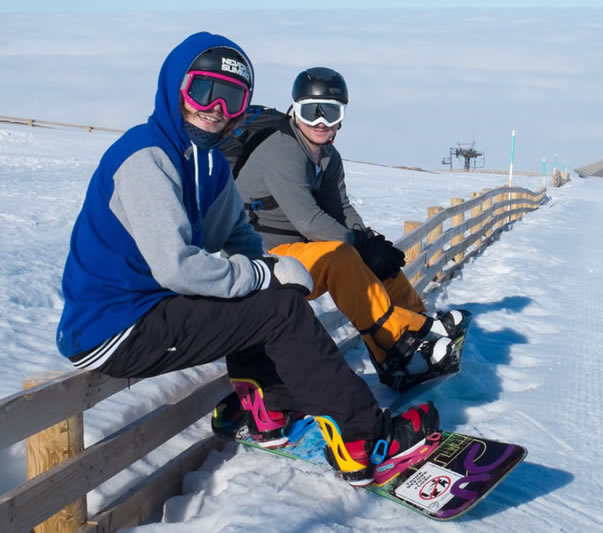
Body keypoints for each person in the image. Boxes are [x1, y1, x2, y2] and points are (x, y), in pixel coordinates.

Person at [55, 32, 438, 485]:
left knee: (270, 300)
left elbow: (238, 237)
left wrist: (268, 270)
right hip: (112, 328)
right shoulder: (145, 158)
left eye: (232, 97)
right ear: (176, 87)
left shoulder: (211, 164)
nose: (216, 108)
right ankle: (365, 437)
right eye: (203, 90)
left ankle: (267, 408)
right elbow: (177, 266)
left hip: (152, 309)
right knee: (274, 306)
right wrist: (261, 275)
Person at [228, 67, 467, 392]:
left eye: (331, 111)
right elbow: (309, 221)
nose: (321, 121)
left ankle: (420, 324)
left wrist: (368, 241)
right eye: (311, 112)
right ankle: (403, 342)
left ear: (342, 116)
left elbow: (340, 209)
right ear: (295, 109)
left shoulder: (327, 156)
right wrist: (357, 243)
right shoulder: (281, 151)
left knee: (376, 260)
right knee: (342, 256)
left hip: (297, 254)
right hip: (261, 261)